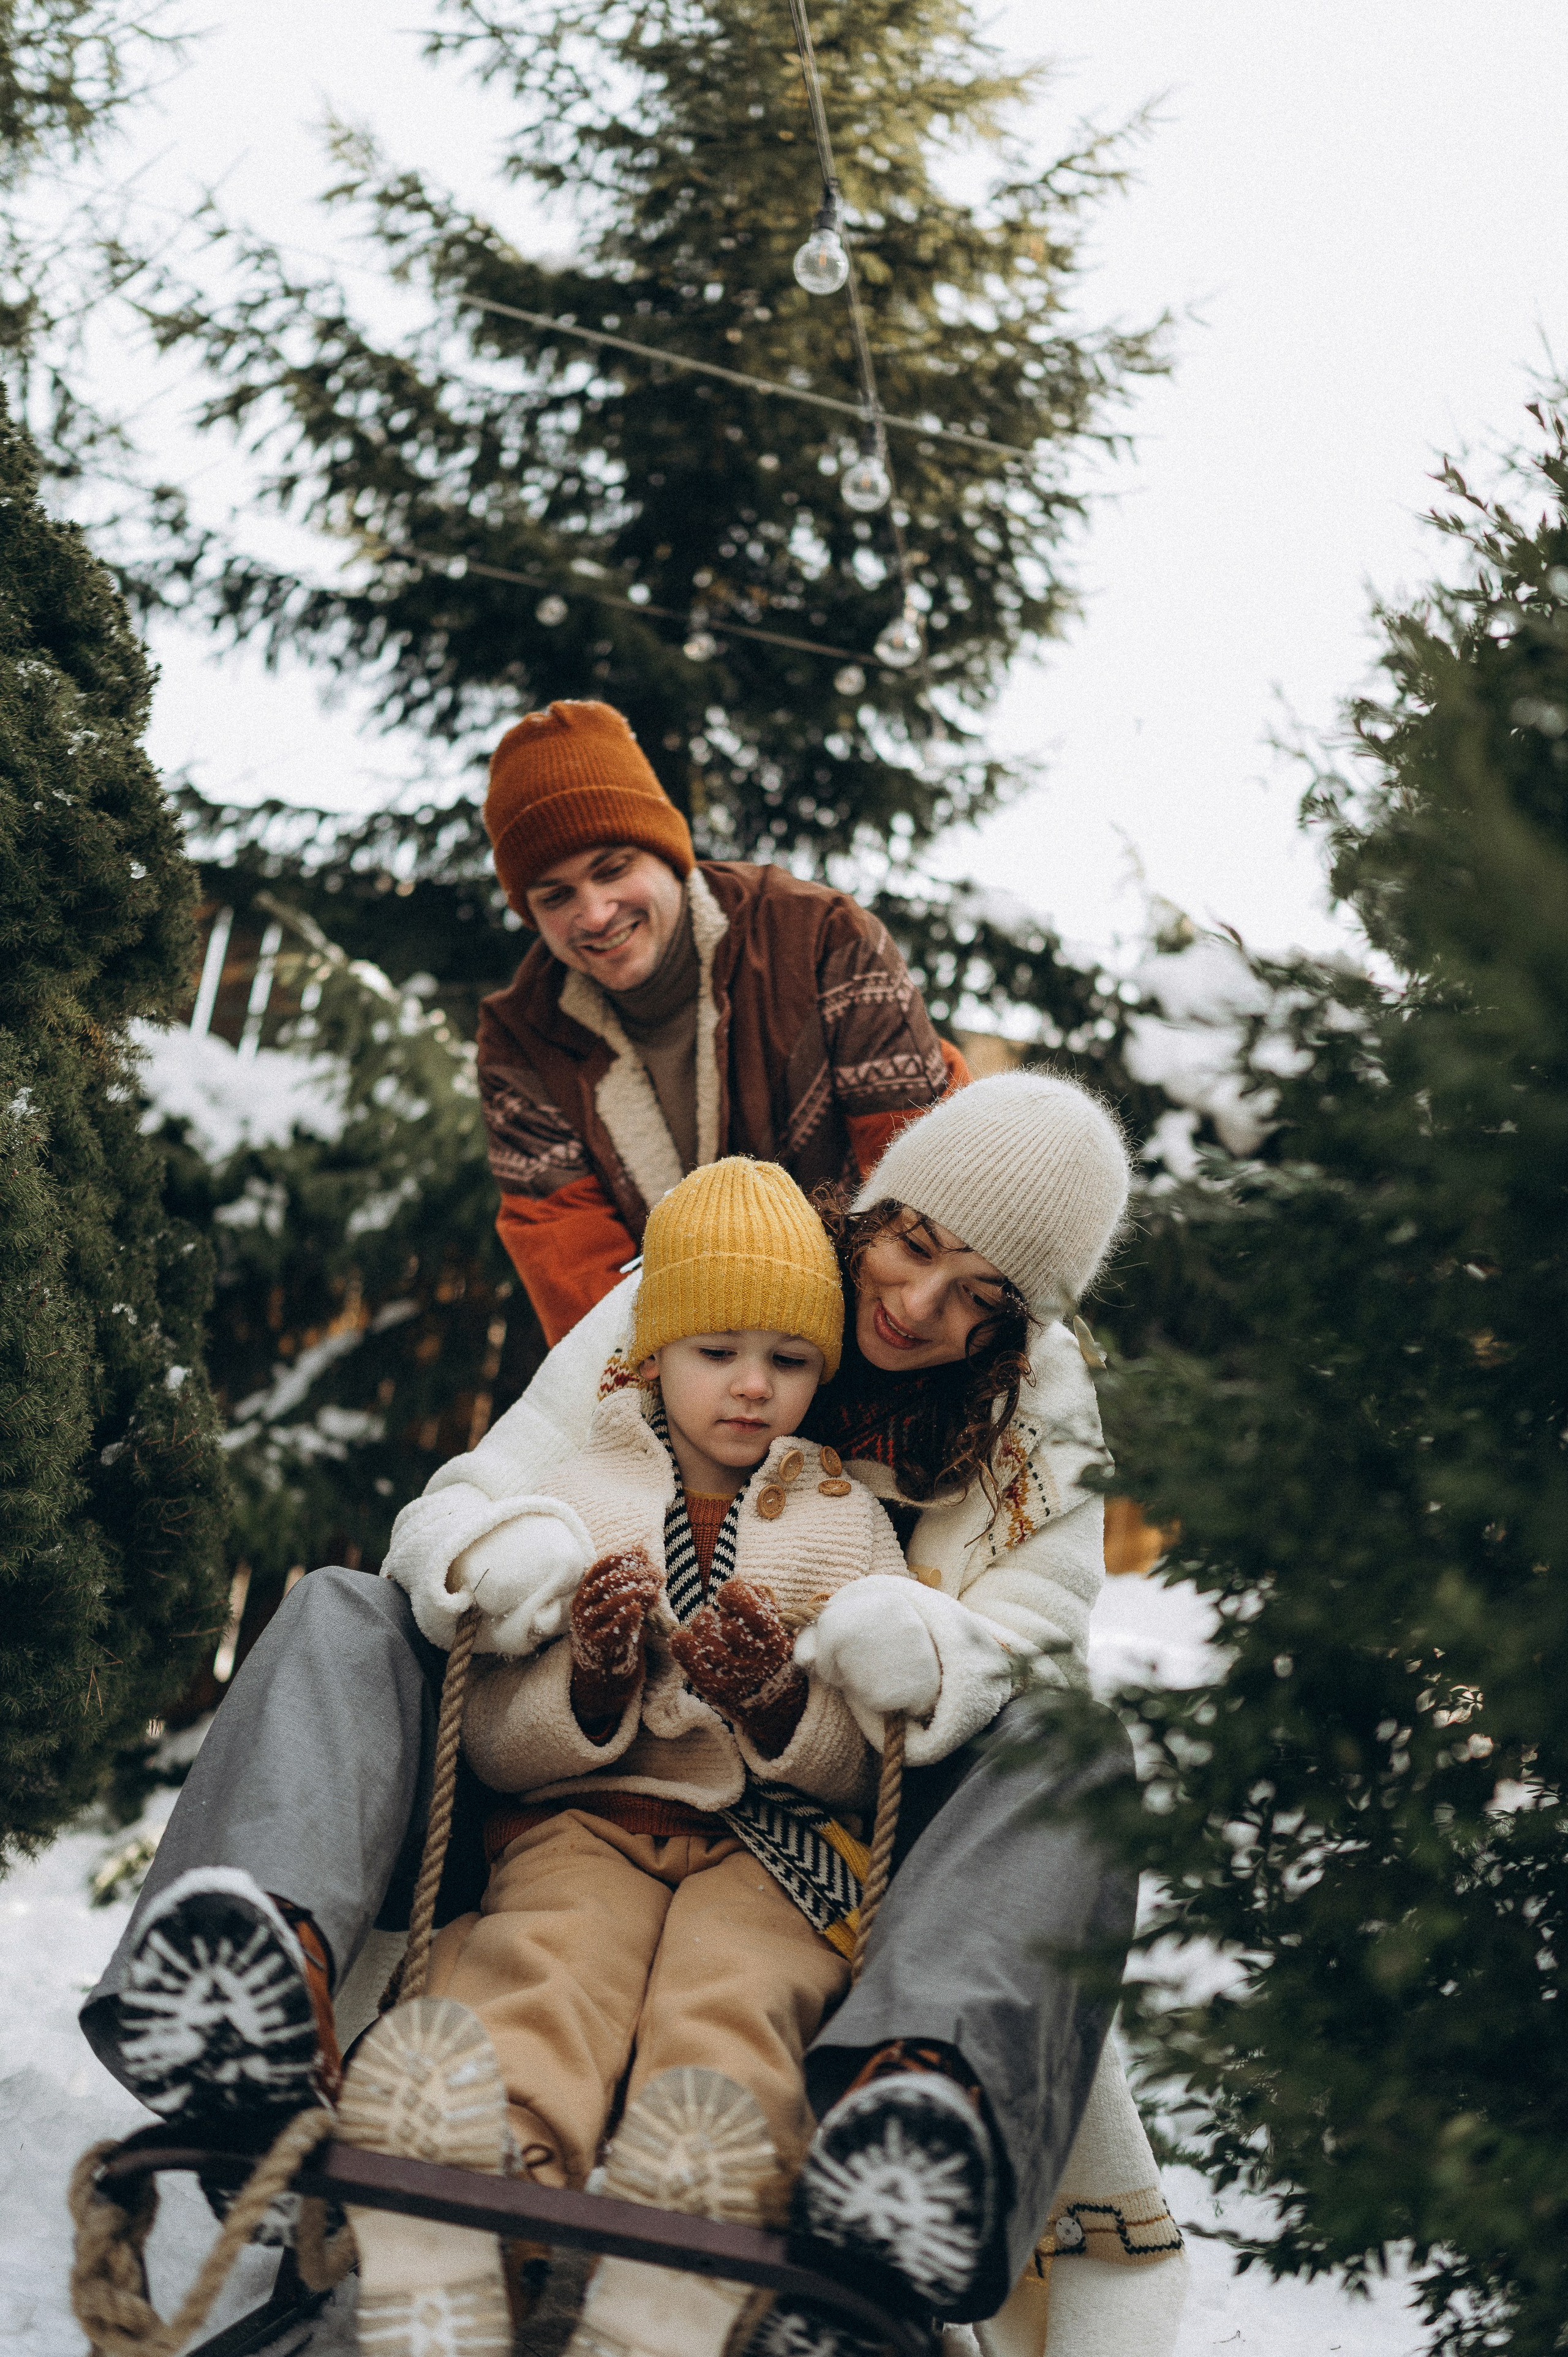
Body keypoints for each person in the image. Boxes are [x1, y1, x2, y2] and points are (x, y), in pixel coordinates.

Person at [80, 1074, 1189, 2357]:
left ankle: (904, 2136)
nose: (916, 1304)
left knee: (1023, 1786)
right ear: (876, 1205)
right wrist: (515, 1552)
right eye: (913, 1244)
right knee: (351, 1617)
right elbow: (480, 1488)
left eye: (977, 1300)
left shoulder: (1031, 1417)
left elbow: (1037, 1648)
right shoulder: (728, 1270)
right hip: (570, 1775)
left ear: (1018, 1323)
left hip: (829, 1829)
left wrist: (924, 1649)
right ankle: (259, 1980)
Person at [393, 1153, 988, 2357]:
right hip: (584, 1815)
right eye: (716, 1351)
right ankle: (493, 2177)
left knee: (739, 1997)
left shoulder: (844, 1518)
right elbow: (496, 1743)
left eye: (788, 1359)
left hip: (766, 1851)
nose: (751, 1388)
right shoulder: (575, 1489)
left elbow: (862, 1761)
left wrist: (776, 1705)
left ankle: (696, 2215)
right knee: (548, 1958)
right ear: (652, 1349)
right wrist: (596, 1678)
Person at [474, 697, 967, 1344]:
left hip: (880, 1332)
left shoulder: (820, 940)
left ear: (668, 853)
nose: (594, 914)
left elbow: (929, 1185)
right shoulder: (522, 1044)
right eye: (556, 895)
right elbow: (580, 1285)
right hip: (690, 1379)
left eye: (613, 868)